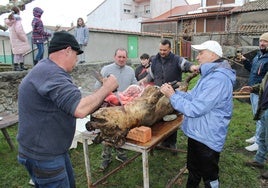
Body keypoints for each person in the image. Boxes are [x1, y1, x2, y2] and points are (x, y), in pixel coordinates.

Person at [17, 31, 118, 187]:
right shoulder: (51, 73)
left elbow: (72, 103)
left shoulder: (47, 70)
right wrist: (107, 88)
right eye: (76, 56)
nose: (76, 61)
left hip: (52, 149)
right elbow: (79, 109)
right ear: (67, 50)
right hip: (43, 155)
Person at [160, 40, 236, 188]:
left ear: (213, 55)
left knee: (209, 176)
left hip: (207, 137)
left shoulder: (218, 79)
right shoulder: (209, 75)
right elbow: (193, 97)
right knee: (193, 169)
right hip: (197, 133)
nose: (197, 57)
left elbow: (195, 108)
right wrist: (176, 93)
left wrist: (172, 96)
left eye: (201, 53)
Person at [139, 39, 199, 152]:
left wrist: (193, 68)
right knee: (158, 118)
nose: (162, 52)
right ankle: (160, 141)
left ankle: (172, 143)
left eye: (165, 50)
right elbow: (151, 75)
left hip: (173, 93)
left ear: (170, 49)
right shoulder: (155, 60)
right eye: (160, 50)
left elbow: (186, 65)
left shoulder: (176, 59)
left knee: (171, 119)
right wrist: (144, 80)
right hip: (158, 94)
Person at [94, 48, 138, 170]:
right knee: (107, 133)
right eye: (119, 57)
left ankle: (121, 154)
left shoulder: (130, 70)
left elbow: (135, 85)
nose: (121, 59)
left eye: (124, 57)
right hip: (109, 109)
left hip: (124, 108)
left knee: (122, 132)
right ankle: (106, 158)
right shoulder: (106, 69)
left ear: (126, 58)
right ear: (114, 57)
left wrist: (137, 90)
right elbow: (98, 88)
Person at [242, 32, 268, 152]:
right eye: (261, 41)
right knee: (256, 115)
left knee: (261, 117)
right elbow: (252, 69)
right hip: (253, 90)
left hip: (262, 92)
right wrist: (244, 61)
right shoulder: (258, 56)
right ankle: (256, 136)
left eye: (265, 41)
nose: (262, 43)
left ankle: (259, 141)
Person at [243, 71, 268, 178]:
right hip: (264, 108)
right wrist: (253, 88)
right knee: (262, 137)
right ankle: (259, 160)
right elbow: (264, 85)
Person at [5, 6, 30, 71]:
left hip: (14, 39)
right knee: (20, 53)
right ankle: (20, 65)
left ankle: (17, 66)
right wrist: (23, 38)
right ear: (18, 12)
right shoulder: (17, 20)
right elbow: (19, 30)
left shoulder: (10, 20)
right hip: (18, 38)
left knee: (17, 52)